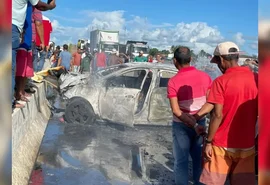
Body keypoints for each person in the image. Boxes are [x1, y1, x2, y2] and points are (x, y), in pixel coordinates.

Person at [193, 42, 258, 185]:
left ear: (222, 60)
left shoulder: (220, 81)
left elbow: (217, 115)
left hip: (221, 146)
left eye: (217, 62)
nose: (218, 66)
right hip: (247, 145)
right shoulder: (257, 79)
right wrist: (196, 117)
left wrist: (209, 142)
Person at [167, 46, 212, 185]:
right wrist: (197, 120)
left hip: (181, 126)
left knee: (181, 162)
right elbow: (211, 102)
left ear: (175, 61)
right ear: (191, 59)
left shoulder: (173, 82)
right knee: (199, 161)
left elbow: (176, 110)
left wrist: (192, 122)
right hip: (201, 124)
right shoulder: (205, 77)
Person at [12, 0, 56, 108]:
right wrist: (51, 5)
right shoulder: (34, 7)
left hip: (20, 33)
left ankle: (19, 93)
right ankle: (17, 93)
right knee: (17, 67)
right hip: (23, 35)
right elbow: (39, 21)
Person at [15, 2, 33, 105]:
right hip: (23, 33)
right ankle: (18, 92)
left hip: (25, 34)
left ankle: (20, 91)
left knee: (23, 69)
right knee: (19, 68)